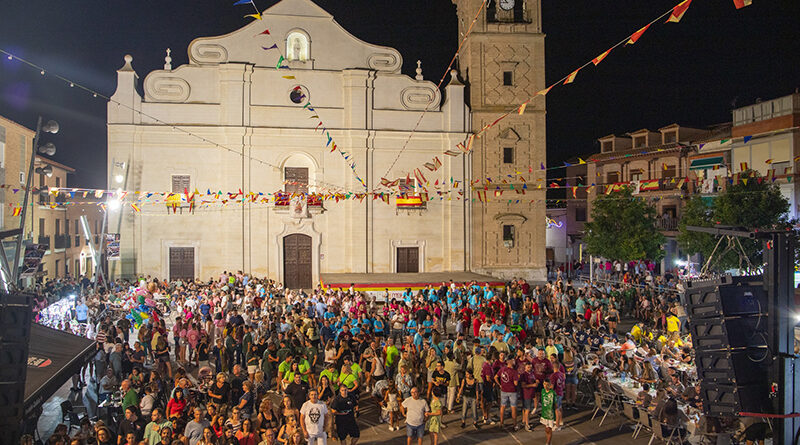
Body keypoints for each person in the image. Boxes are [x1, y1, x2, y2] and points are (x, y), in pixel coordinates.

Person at [494, 358, 519, 430]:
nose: (514, 361)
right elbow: (516, 383)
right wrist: (518, 378)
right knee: (513, 408)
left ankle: (501, 422)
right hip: (512, 391)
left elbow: (496, 377)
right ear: (510, 362)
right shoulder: (514, 372)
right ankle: (515, 424)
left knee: (503, 407)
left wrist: (499, 385)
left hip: (504, 390)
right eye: (513, 360)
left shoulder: (502, 369)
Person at [539, 380, 556, 445]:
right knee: (546, 429)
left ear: (550, 385)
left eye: (547, 384)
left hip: (550, 414)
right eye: (544, 384)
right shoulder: (542, 391)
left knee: (549, 429)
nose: (545, 386)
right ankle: (548, 441)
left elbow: (556, 406)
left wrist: (556, 418)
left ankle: (548, 442)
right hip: (544, 413)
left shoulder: (552, 393)